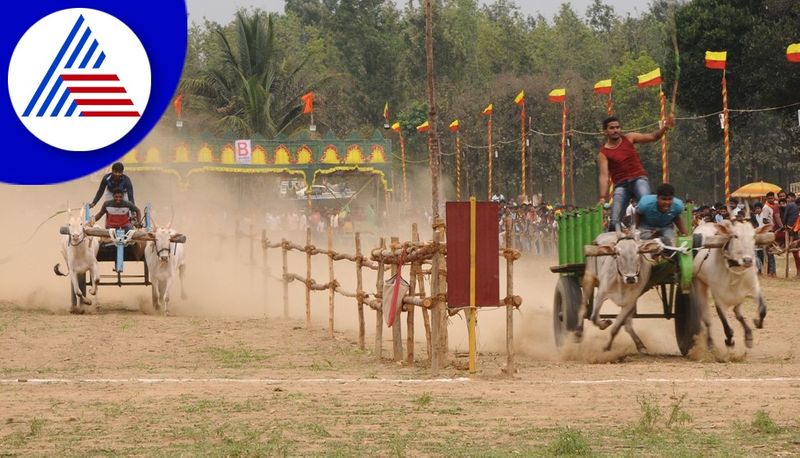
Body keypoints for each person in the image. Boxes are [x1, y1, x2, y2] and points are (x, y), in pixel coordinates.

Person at [597, 115, 674, 231]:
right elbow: (604, 175)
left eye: (617, 127)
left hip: (638, 179)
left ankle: (657, 229)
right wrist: (602, 197)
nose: (615, 130)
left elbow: (653, 137)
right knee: (614, 221)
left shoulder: (630, 138)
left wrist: (665, 128)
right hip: (621, 185)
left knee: (646, 204)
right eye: (611, 128)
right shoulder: (603, 153)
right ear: (605, 132)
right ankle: (612, 237)